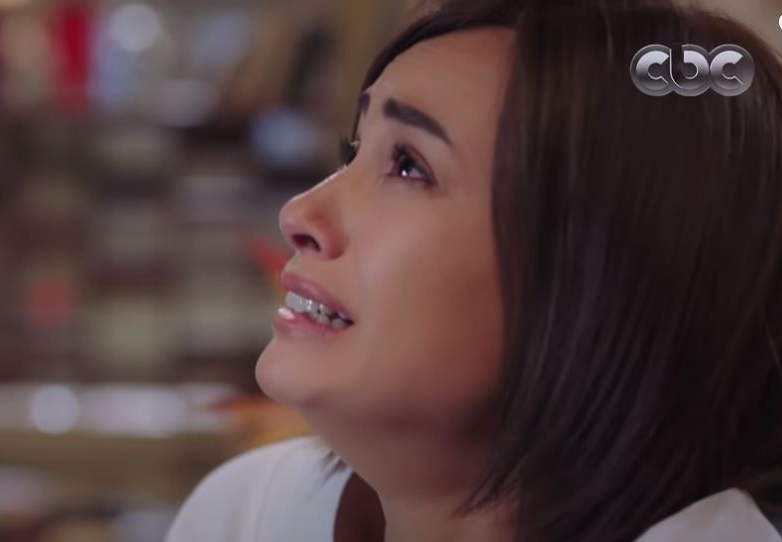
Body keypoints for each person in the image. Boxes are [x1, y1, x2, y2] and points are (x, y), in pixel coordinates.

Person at [165, 0, 782, 540]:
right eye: (351, 151)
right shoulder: (242, 516)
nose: (298, 214)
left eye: (409, 166)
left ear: (605, 281)